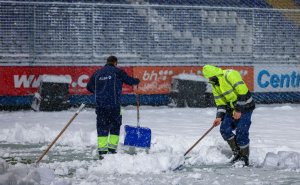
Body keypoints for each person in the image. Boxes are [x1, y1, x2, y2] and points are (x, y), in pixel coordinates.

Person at [87, 56, 140, 160]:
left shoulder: (97, 73)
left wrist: (99, 93)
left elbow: (89, 87)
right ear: (115, 63)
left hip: (100, 106)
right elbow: (130, 81)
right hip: (114, 105)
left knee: (102, 127)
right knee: (115, 126)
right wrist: (137, 80)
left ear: (107, 62)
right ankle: (112, 151)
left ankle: (102, 152)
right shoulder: (118, 72)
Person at [203, 65, 255, 166]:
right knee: (224, 129)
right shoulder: (215, 84)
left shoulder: (230, 74)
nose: (209, 79)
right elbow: (220, 102)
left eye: (210, 77)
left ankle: (244, 158)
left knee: (241, 131)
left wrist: (239, 110)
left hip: (245, 106)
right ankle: (237, 153)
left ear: (214, 75)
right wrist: (219, 117)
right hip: (231, 109)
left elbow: (242, 91)